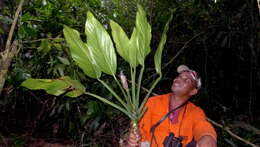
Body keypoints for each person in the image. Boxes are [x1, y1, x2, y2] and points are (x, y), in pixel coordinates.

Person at [127, 65, 217, 147]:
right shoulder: (153, 102)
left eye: (187, 80)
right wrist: (133, 138)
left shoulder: (195, 112)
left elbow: (202, 127)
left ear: (193, 91)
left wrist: (208, 137)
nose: (178, 79)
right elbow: (139, 128)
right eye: (179, 76)